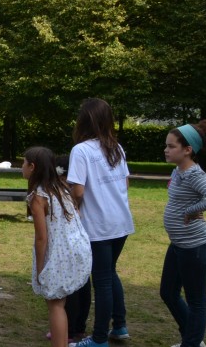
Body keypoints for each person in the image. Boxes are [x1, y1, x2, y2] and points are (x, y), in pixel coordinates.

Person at [66, 98, 134, 347]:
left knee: (102, 280)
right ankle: (120, 325)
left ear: (84, 121)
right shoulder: (116, 148)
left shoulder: (81, 150)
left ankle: (98, 338)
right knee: (110, 273)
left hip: (99, 225)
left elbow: (78, 190)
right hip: (120, 222)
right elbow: (125, 182)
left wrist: (71, 205)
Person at [160, 121, 206, 347]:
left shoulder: (194, 175)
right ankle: (193, 339)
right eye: (166, 145)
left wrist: (192, 210)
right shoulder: (178, 170)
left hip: (195, 247)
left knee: (196, 301)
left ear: (187, 149)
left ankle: (192, 342)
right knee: (168, 292)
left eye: (171, 146)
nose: (166, 150)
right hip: (179, 244)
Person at [23, 146, 92, 347]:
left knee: (55, 305)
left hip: (59, 254)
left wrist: (40, 268)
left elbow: (41, 238)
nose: (22, 167)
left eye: (24, 163)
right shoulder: (61, 189)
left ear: (32, 166)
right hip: (77, 248)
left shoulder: (38, 197)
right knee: (59, 304)